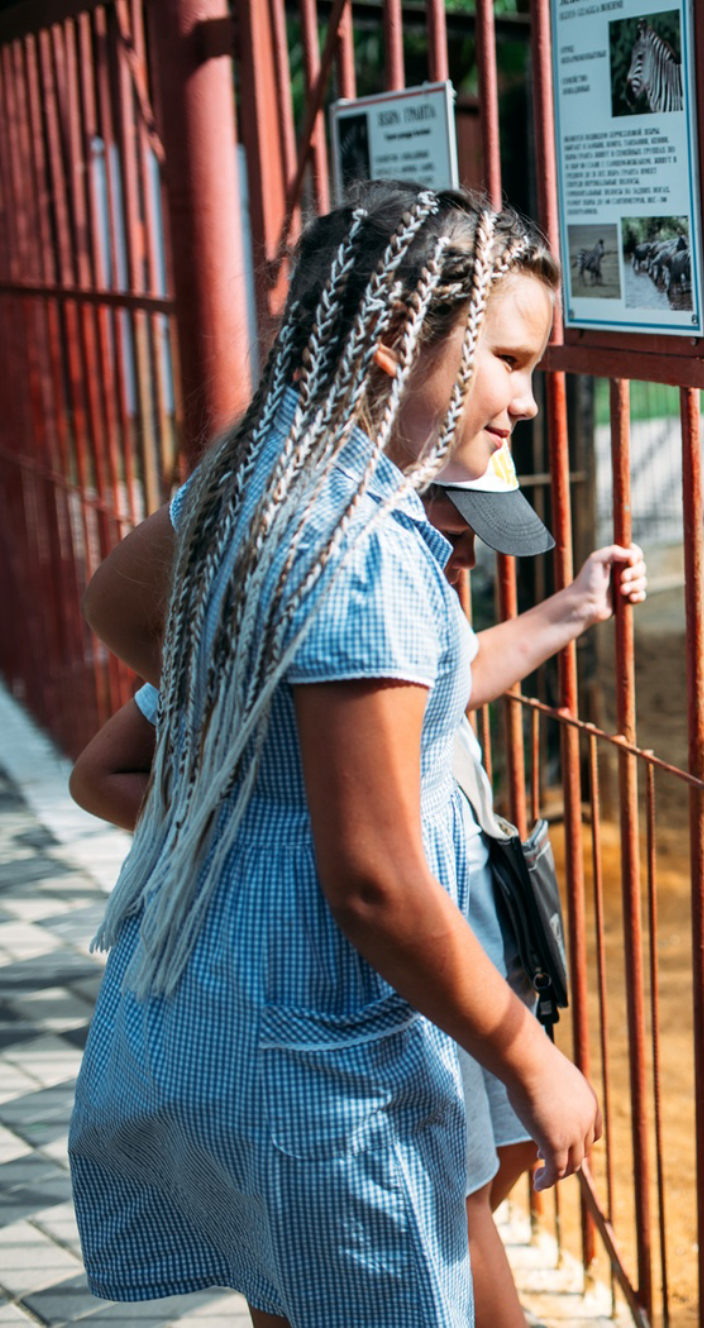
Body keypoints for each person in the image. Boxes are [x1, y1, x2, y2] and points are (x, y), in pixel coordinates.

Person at [67, 182, 598, 1328]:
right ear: (401, 335)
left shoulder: (260, 484)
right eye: (507, 359)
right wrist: (533, 1059)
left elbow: (117, 606)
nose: (524, 403)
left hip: (227, 1020)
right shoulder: (367, 543)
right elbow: (373, 881)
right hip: (325, 1075)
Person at [72, 481, 646, 1328]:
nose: (463, 562)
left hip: (446, 962)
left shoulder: (404, 628)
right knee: (453, 1209)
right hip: (405, 978)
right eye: (448, 531)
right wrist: (274, 853)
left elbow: (469, 668)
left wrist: (574, 607)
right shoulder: (327, 631)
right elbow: (106, 772)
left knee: (408, 1216)